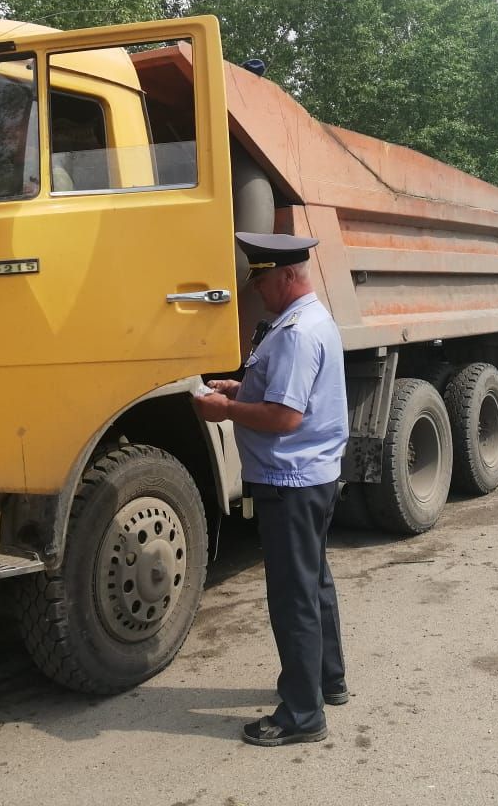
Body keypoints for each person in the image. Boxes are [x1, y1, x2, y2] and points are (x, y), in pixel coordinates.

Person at [192, 231, 350, 747]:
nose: (254, 289)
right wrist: (244, 389)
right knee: (314, 583)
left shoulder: (295, 333)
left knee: (293, 597)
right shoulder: (310, 319)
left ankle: (303, 715)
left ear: (287, 275)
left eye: (260, 278)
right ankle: (329, 681)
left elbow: (284, 416)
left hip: (289, 482)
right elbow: (287, 394)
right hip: (313, 477)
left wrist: (226, 410)